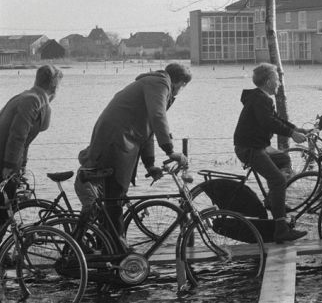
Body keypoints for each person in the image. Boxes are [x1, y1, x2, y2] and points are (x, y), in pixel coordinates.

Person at [75, 63, 191, 247]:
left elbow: (147, 128)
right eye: (183, 87)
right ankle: (117, 252)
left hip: (118, 139)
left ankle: (107, 247)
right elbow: (157, 116)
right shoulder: (160, 83)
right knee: (115, 198)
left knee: (113, 198)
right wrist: (170, 150)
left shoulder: (153, 83)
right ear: (180, 83)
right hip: (117, 141)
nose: (179, 92)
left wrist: (150, 164)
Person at [233, 63, 308, 244]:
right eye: (277, 80)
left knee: (283, 158)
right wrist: (291, 134)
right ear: (268, 82)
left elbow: (275, 119)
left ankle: (271, 201)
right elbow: (268, 122)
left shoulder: (261, 97)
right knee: (278, 180)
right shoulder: (261, 99)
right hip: (250, 148)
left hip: (254, 146)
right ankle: (281, 230)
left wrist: (296, 128)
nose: (279, 84)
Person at [0, 65, 63, 232]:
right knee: (3, 212)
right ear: (54, 86)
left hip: (8, 159)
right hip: (3, 160)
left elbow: (25, 140)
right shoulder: (34, 100)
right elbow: (17, 136)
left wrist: (21, 168)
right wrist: (9, 166)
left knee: (5, 211)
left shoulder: (26, 96)